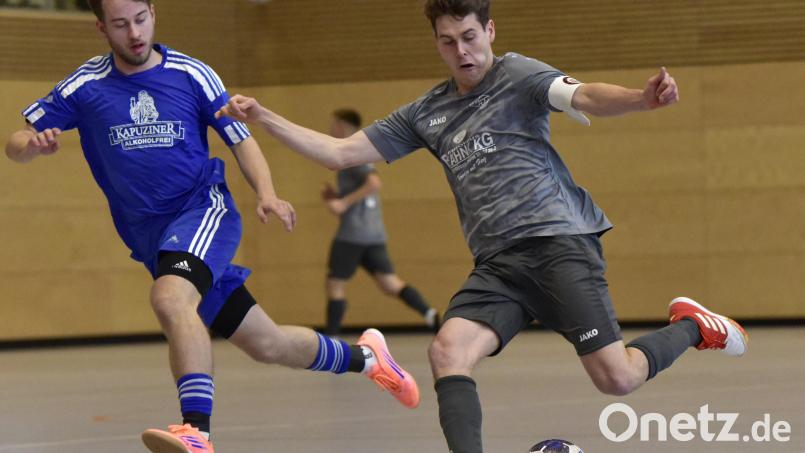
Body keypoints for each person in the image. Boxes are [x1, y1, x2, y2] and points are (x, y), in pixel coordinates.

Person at [216, 0, 749, 451]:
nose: (462, 51)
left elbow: (581, 96)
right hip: (496, 264)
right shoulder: (426, 112)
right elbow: (339, 152)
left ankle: (695, 326)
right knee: (447, 351)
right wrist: (264, 118)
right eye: (448, 42)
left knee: (619, 378)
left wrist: (640, 98)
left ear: (489, 31)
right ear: (437, 43)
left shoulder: (516, 74)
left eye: (469, 36)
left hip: (557, 243)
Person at [3, 1, 420, 452]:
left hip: (202, 211)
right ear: (102, 28)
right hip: (154, 240)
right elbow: (17, 141)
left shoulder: (192, 74)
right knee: (267, 343)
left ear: (153, 12)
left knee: (169, 297)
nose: (135, 33)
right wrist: (33, 146)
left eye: (141, 19)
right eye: (121, 25)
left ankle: (196, 431)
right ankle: (368, 358)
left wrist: (266, 193)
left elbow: (241, 141)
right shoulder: (86, 84)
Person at [322, 108, 439, 336]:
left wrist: (343, 203)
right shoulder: (357, 152)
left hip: (352, 234)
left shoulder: (350, 152)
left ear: (344, 126)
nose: (331, 128)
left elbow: (374, 183)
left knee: (335, 284)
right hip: (373, 233)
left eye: (334, 124)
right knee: (390, 283)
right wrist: (335, 197)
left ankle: (332, 338)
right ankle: (429, 313)